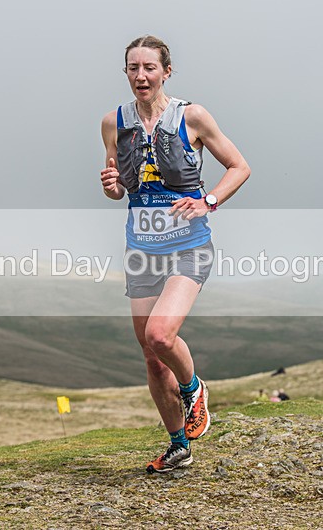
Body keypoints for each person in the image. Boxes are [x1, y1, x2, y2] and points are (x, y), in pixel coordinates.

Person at [100, 35, 250, 473]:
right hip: (141, 250)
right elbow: (117, 186)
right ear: (125, 72)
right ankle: (178, 445)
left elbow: (240, 167)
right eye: (133, 68)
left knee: (161, 336)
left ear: (167, 71)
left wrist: (209, 201)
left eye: (150, 68)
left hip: (188, 246)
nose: (141, 76)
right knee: (150, 356)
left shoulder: (193, 116)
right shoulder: (113, 122)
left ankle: (194, 388)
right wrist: (111, 189)